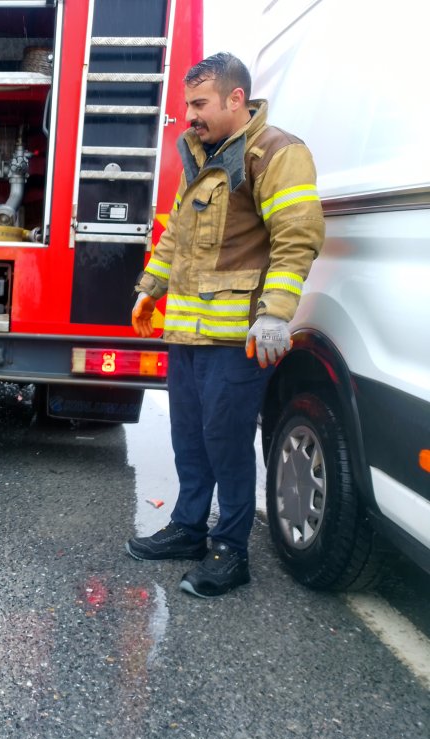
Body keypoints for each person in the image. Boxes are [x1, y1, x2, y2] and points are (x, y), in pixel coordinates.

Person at [126, 53, 325, 597]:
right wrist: (150, 289)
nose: (189, 115)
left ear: (236, 99)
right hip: (189, 334)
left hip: (235, 338)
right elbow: (175, 237)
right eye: (188, 103)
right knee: (189, 437)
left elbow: (296, 237)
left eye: (199, 104)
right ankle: (189, 529)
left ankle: (230, 550)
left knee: (227, 442)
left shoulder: (277, 153)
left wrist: (277, 315)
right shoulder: (199, 153)